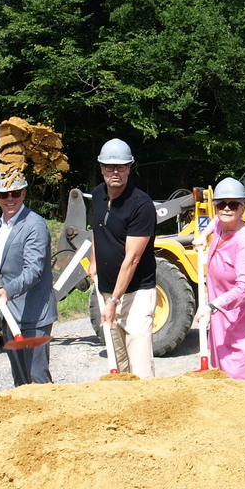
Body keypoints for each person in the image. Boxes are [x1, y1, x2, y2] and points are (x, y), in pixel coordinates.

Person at [0, 171, 57, 386]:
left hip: (34, 315)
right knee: (20, 379)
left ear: (24, 193)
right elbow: (4, 256)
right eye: (3, 194)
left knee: (37, 378)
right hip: (10, 313)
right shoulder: (1, 224)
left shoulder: (35, 225)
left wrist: (8, 290)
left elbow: (33, 270)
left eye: (15, 193)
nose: (10, 199)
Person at [191, 178, 245, 380]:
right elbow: (218, 220)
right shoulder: (223, 224)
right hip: (226, 312)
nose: (227, 209)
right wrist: (204, 235)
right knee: (223, 372)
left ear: (243, 208)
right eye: (221, 204)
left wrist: (211, 307)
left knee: (238, 376)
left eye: (234, 204)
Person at [87, 138, 157, 378]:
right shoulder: (97, 195)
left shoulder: (141, 205)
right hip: (108, 291)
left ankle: (148, 411)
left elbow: (132, 259)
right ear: (101, 168)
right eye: (109, 167)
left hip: (135, 295)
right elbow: (98, 230)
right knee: (118, 365)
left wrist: (114, 301)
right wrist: (94, 260)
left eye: (121, 167)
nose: (115, 172)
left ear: (130, 167)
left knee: (139, 367)